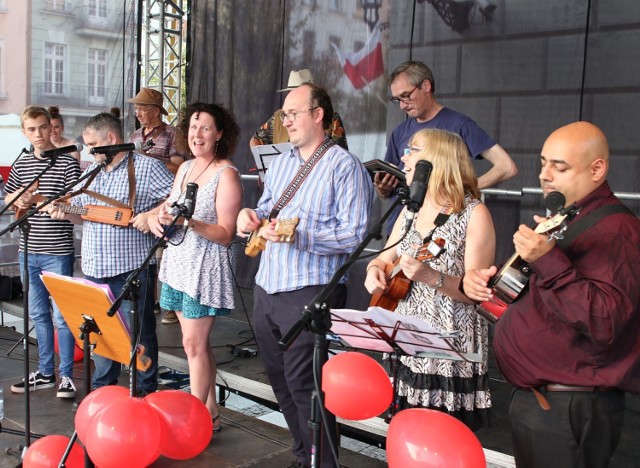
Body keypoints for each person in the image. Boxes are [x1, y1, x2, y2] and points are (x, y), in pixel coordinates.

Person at [463, 121, 640, 468]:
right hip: (541, 402)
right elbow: (535, 294)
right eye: (543, 163)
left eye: (559, 166)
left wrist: (548, 260)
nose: (545, 175)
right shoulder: (566, 217)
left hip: (571, 407)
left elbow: (604, 320)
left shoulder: (617, 230)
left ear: (597, 169)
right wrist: (486, 283)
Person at [237, 83, 373, 468]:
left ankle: (323, 462)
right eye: (284, 114)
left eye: (294, 113)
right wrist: (251, 218)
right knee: (279, 381)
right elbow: (265, 211)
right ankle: (303, 455)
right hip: (268, 284)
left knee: (306, 384)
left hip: (310, 289)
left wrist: (302, 234)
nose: (286, 121)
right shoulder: (280, 161)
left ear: (319, 115)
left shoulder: (345, 166)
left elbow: (354, 235)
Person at [364, 128, 495, 430]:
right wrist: (374, 271)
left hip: (447, 347)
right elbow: (383, 258)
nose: (403, 157)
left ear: (437, 160)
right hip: (407, 343)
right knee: (406, 431)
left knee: (440, 436)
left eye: (413, 150)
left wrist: (432, 276)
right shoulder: (411, 210)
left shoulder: (474, 214)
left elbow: (477, 294)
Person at [49, 112, 173, 396]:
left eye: (92, 145)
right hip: (95, 269)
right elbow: (83, 216)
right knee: (101, 336)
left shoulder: (146, 167)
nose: (89, 151)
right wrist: (64, 212)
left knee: (140, 337)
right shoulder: (90, 173)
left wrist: (150, 214)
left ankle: (145, 394)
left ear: (111, 139)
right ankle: (105, 393)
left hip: (131, 270)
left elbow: (176, 202)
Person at [148, 102, 242, 432]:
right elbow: (171, 206)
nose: (196, 134)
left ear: (219, 134)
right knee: (195, 346)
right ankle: (211, 411)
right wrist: (163, 216)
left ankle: (194, 420)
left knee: (193, 345)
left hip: (205, 268)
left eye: (205, 128)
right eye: (192, 127)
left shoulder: (226, 173)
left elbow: (227, 234)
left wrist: (191, 222)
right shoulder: (186, 167)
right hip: (179, 262)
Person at [375, 61, 517, 233]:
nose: (403, 105)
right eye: (397, 100)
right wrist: (384, 189)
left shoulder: (459, 124)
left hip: (440, 232)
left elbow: (507, 167)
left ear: (426, 86)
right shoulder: (399, 132)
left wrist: (464, 189)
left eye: (406, 95)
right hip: (399, 229)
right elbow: (389, 186)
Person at [6, 106, 81, 398]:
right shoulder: (22, 162)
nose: (38, 134)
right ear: (24, 132)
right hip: (28, 249)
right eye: (32, 129)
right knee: (38, 314)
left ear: (51, 128)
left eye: (42, 128)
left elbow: (76, 203)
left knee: (62, 316)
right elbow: (10, 194)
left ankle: (66, 376)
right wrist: (19, 197)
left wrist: (39, 197)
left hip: (57, 250)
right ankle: (46, 372)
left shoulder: (66, 162)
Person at [128, 87, 188, 325]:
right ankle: (150, 301)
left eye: (142, 108)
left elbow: (179, 166)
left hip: (165, 200)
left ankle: (171, 305)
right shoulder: (134, 136)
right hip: (142, 202)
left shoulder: (173, 134)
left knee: (167, 255)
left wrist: (150, 159)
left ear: (155, 111)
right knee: (146, 254)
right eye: (136, 108)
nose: (138, 112)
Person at [249, 69, 349, 150]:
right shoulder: (279, 117)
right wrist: (267, 164)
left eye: (299, 93)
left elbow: (341, 153)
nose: (286, 123)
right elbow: (255, 140)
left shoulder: (332, 118)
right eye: (291, 93)